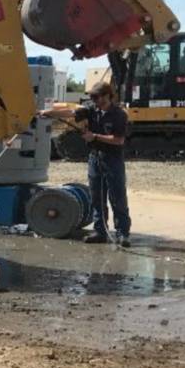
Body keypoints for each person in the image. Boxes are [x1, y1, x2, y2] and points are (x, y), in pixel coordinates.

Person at [40, 82, 131, 246]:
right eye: (92, 97)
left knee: (117, 197)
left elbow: (119, 140)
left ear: (107, 96)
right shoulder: (91, 109)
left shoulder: (119, 114)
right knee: (96, 197)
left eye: (97, 97)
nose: (94, 100)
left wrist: (94, 136)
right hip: (95, 158)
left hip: (113, 159)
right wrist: (49, 112)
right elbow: (70, 112)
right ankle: (100, 231)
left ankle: (122, 233)